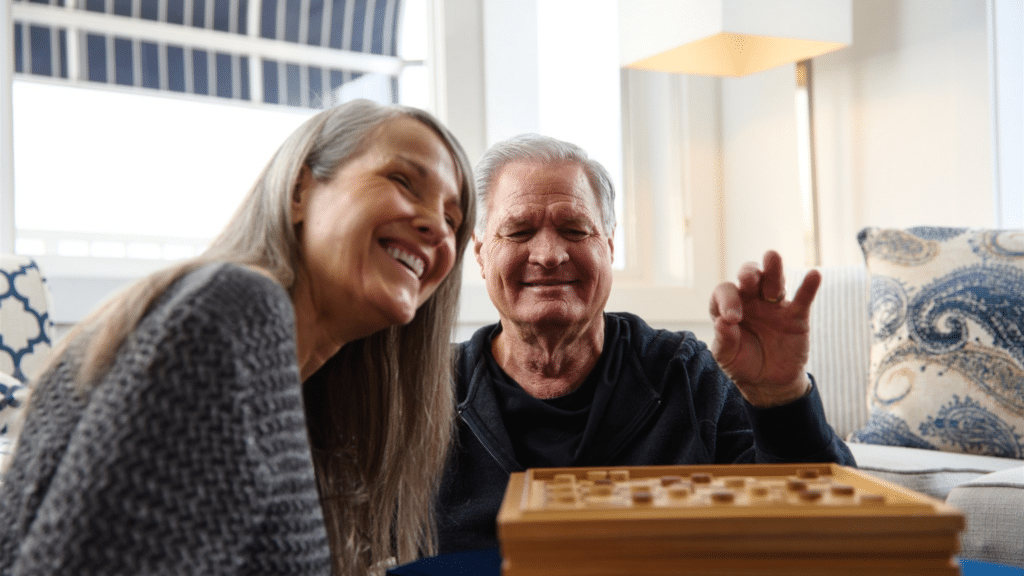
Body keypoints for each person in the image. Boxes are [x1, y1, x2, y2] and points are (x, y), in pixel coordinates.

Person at [0, 98, 476, 576]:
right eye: (401, 181)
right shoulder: (233, 310)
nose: (436, 226)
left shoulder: (299, 386)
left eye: (453, 221)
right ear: (299, 191)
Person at [436, 133, 854, 553]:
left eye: (576, 229)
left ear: (610, 245)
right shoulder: (431, 388)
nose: (548, 254)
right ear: (480, 252)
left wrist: (781, 397)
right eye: (519, 231)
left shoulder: (687, 373)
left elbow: (832, 532)